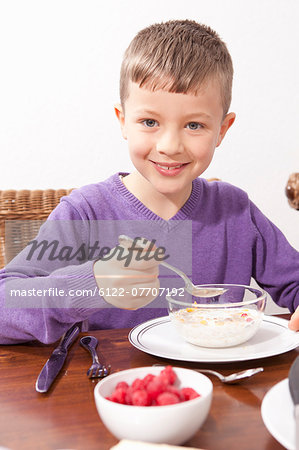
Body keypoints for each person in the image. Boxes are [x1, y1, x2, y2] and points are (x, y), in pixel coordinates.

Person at [0, 19, 298, 344]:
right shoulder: (85, 214)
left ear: (222, 130)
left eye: (194, 125)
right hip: (113, 387)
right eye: (149, 121)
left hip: (219, 385)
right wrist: (91, 284)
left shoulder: (235, 210)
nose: (169, 145)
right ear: (123, 121)